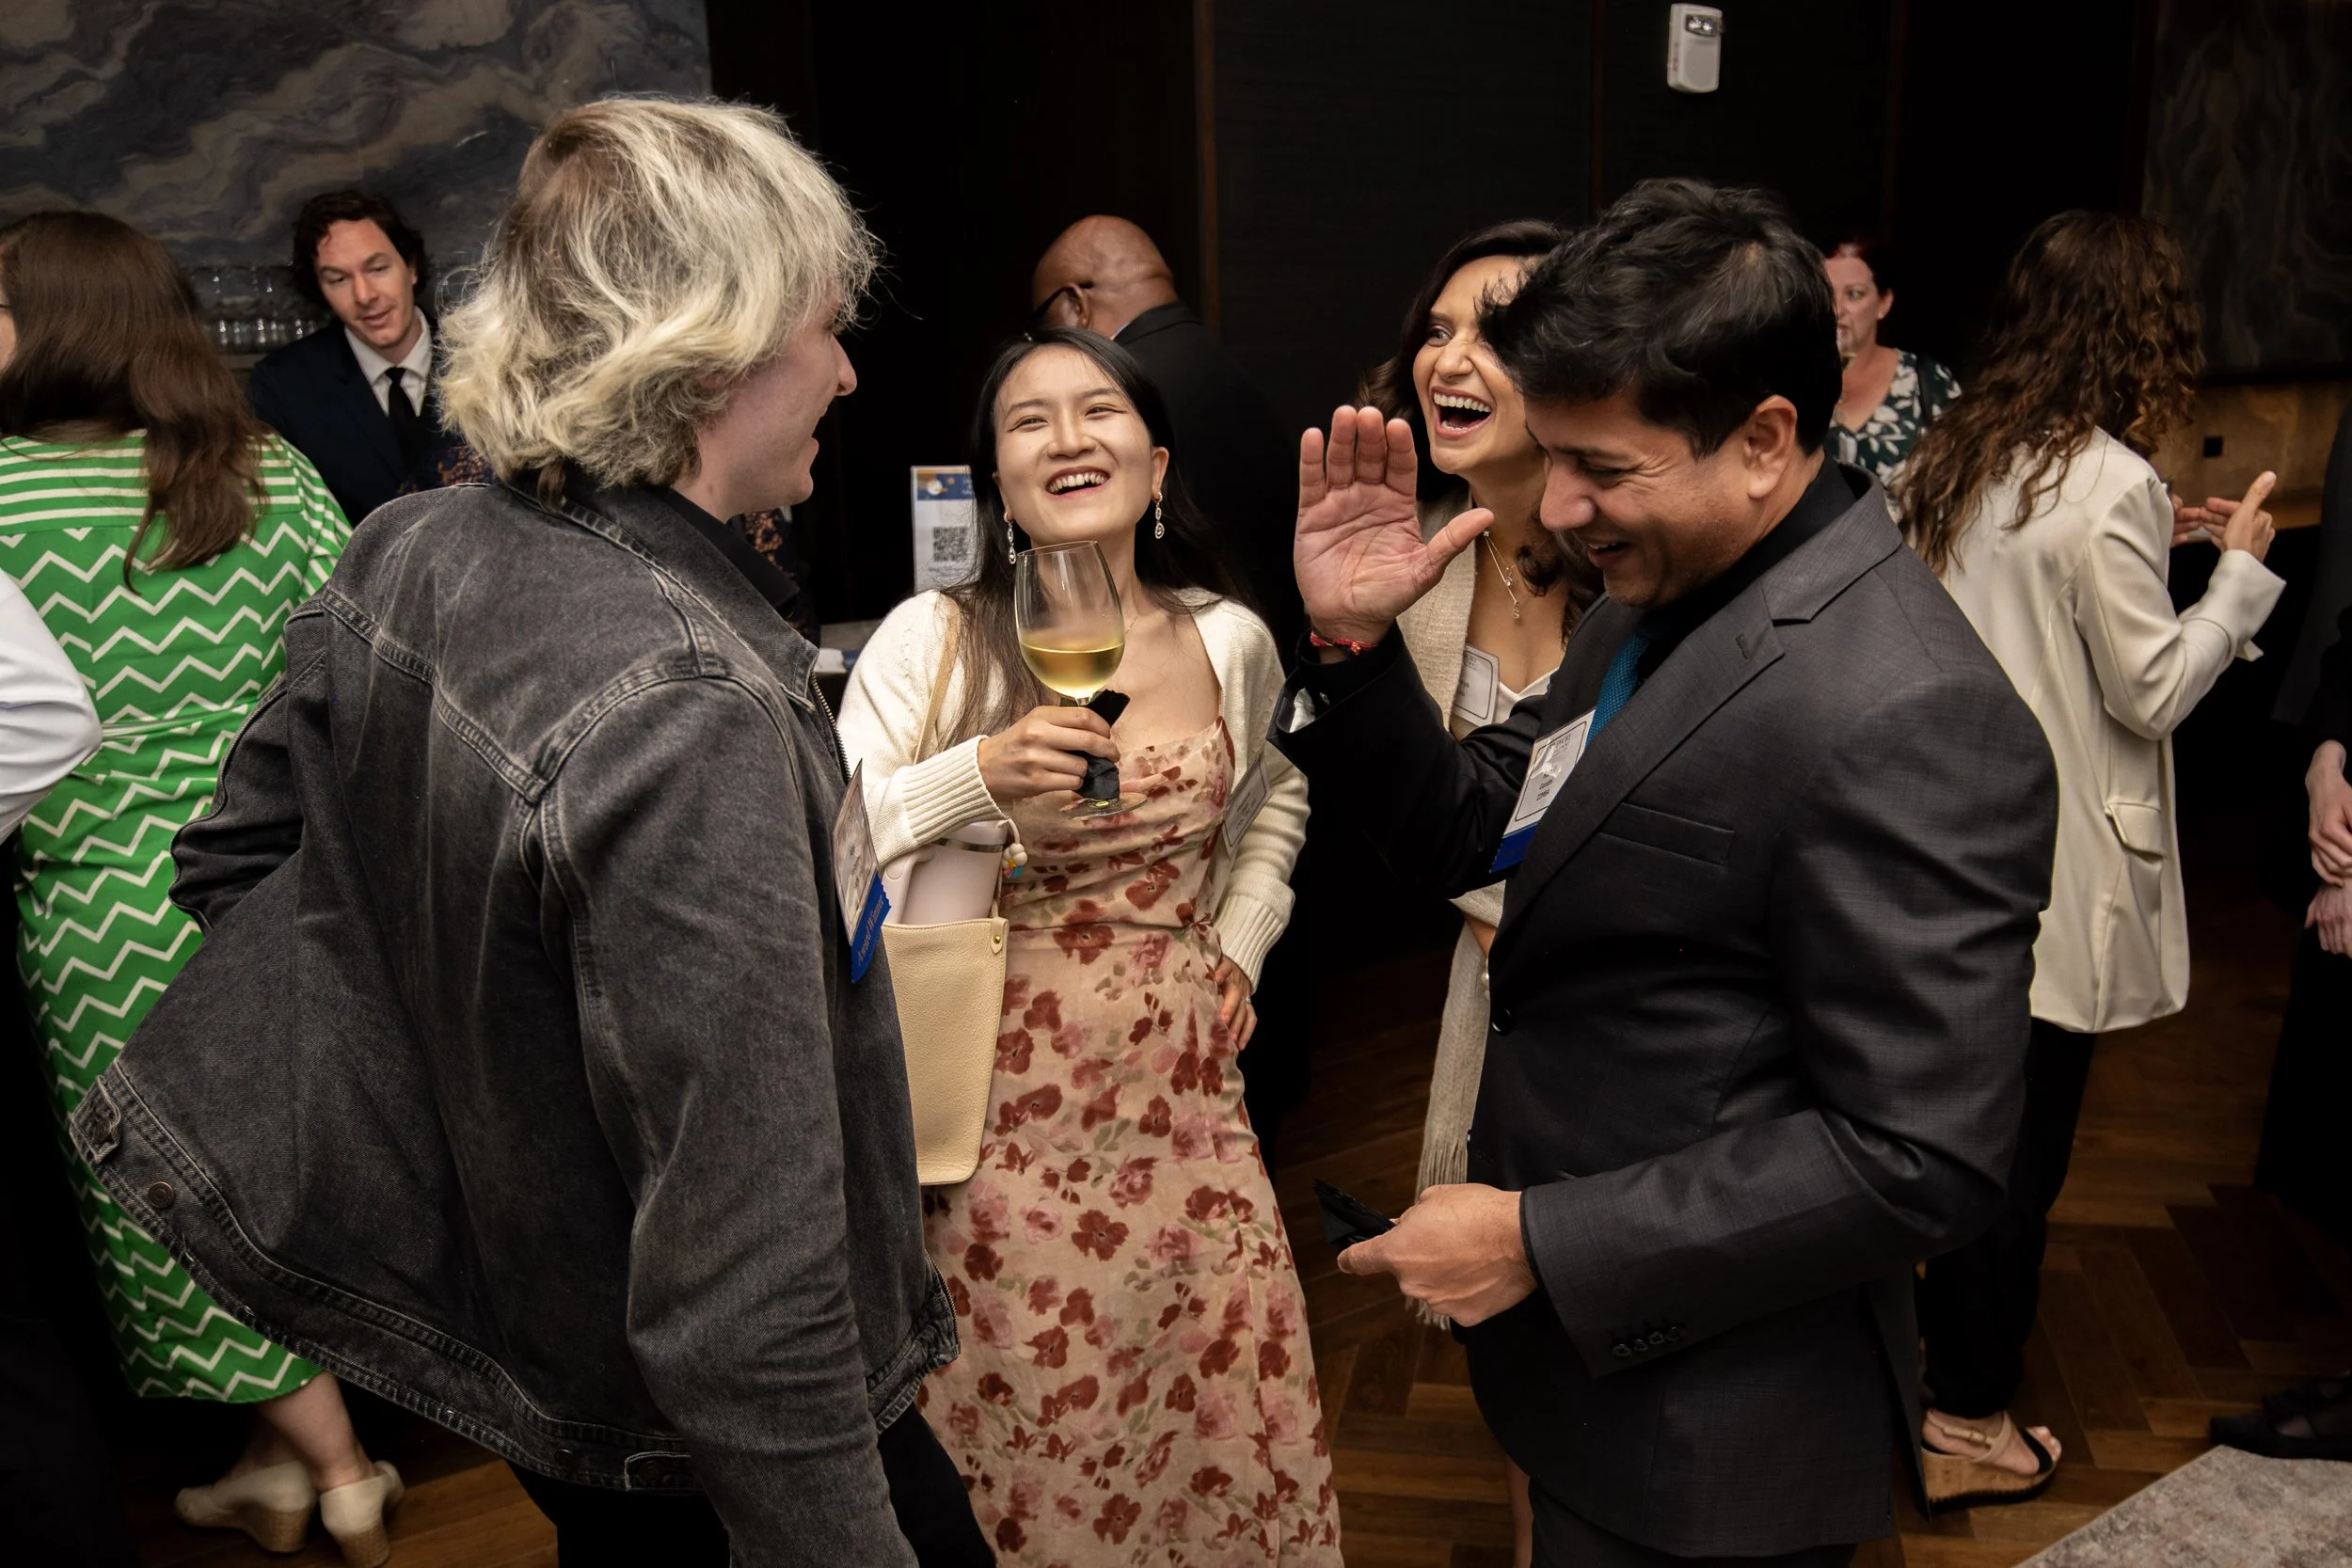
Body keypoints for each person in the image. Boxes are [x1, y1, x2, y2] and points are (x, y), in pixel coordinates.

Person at [66, 101, 990, 1568]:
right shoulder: (686, 708)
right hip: (714, 1446)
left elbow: (237, 863)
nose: (847, 369)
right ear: (715, 353)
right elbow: (754, 1296)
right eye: (826, 327)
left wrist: (506, 1134)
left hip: (552, 1377)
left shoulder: (413, 546)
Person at [1271, 179, 2057, 1567]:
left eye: (1603, 467)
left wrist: (1539, 1240)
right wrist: (1351, 648)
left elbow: (1922, 1154)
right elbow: (1481, 824)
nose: (1561, 504)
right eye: (1552, 455)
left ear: (1764, 439)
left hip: (1715, 1433)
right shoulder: (1660, 595)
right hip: (1597, 1387)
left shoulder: (1910, 711)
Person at [836, 326, 1337, 1565]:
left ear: (1155, 464)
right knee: (1040, 1425)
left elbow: (1276, 793)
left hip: (1185, 1103)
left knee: (1207, 1403)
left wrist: (1241, 936)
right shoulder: (930, 641)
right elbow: (830, 849)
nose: (1068, 437)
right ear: (997, 486)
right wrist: (976, 775)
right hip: (994, 1120)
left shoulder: (1228, 637)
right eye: (1029, 420)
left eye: (1099, 410)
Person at [0, 212, 393, 1563]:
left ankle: (340, 1467)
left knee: (164, 1200)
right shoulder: (265, 467)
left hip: (98, 899)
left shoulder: (4, 493)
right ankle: (272, 1468)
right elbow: (357, 654)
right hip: (271, 877)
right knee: (277, 1179)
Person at [1899, 210, 2283, 1509]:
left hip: (1935, 844)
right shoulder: (2108, 478)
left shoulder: (1955, 450)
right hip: (2047, 866)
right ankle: (1966, 1420)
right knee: (2018, 1154)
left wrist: (2156, 551)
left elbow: (2012, 604)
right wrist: (2236, 579)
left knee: (1944, 1126)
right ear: (2141, 335)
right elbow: (2152, 690)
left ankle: (1913, 1365)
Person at [1359, 219, 1594, 1564]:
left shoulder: (1635, 555)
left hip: (1622, 987)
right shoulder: (1420, 557)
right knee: (1517, 1349)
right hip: (1492, 983)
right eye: (1436, 329)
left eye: (1491, 331)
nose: (1447, 358)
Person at [1033, 214, 1316, 1157]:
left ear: (1073, 306)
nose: (1070, 439)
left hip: (1229, 732)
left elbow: (1272, 796)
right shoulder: (1226, 369)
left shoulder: (1148, 393)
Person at [1033, 216, 1300, 651]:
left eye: (1041, 326)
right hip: (1273, 645)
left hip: (1181, 651)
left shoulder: (1121, 392)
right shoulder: (1225, 366)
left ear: (1077, 305)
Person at [247, 190, 456, 525]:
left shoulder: (482, 359)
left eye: (378, 269)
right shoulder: (283, 385)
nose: (364, 295)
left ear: (411, 267)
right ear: (320, 289)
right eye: (339, 279)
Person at [1822, 238, 1958, 493]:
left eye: (1854, 294)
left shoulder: (1926, 381)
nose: (1837, 309)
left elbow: (1962, 482)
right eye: (1826, 293)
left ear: (1883, 303)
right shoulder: (1791, 382)